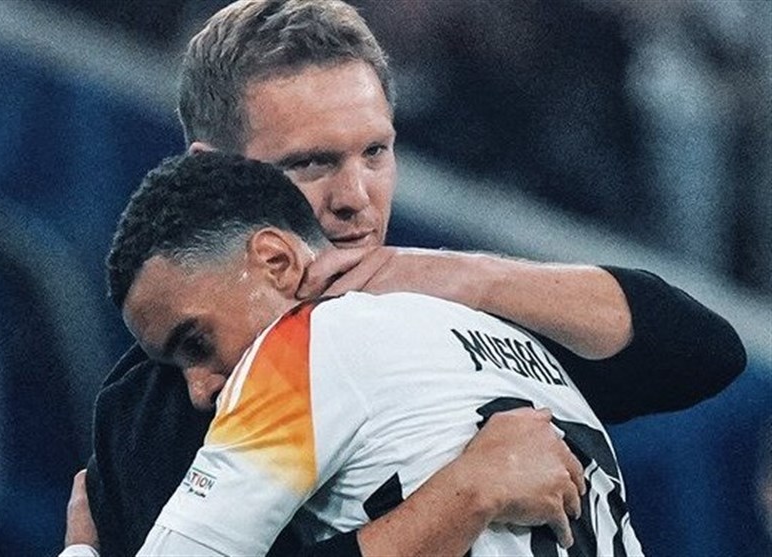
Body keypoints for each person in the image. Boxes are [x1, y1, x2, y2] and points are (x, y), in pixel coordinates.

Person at [61, 1, 746, 556]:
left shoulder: (440, 314)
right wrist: (465, 493)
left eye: (375, 152)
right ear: (215, 172)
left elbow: (703, 354)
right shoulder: (168, 399)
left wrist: (461, 275)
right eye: (310, 163)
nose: (355, 197)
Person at [113, 151, 642, 556]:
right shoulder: (524, 352)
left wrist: (468, 495)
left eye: (196, 342)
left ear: (276, 261)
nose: (199, 390)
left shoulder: (304, 345)